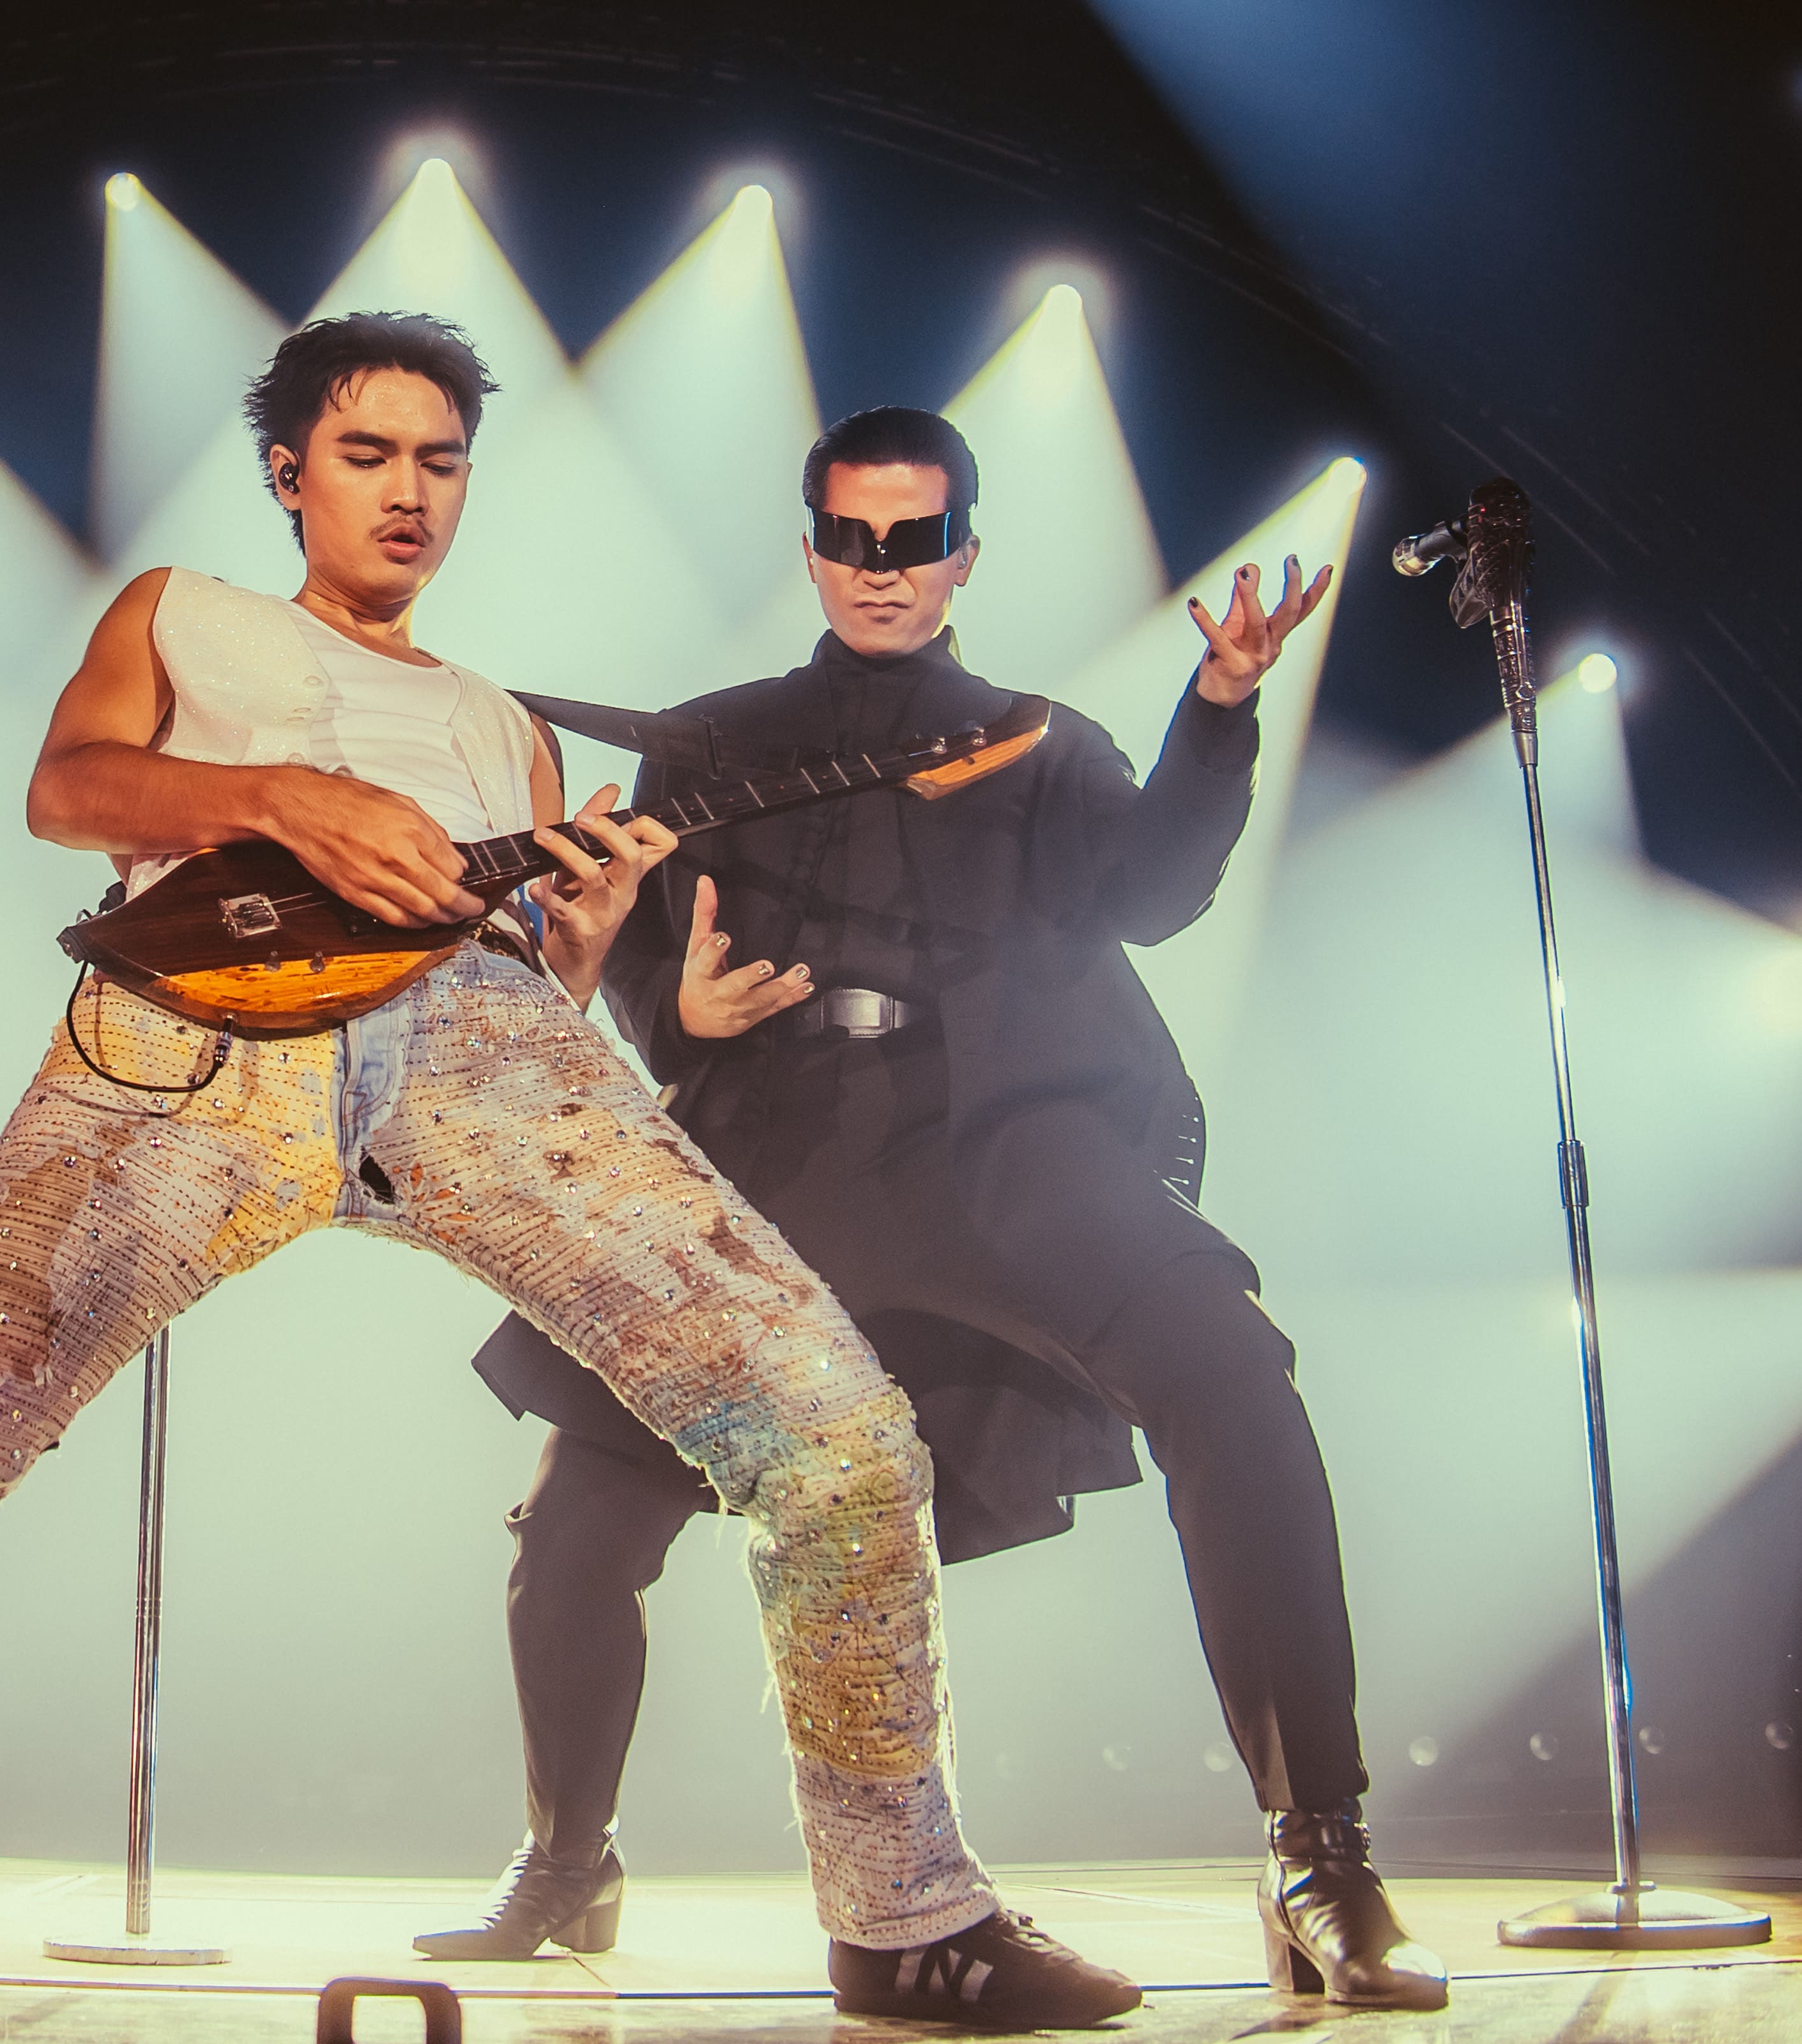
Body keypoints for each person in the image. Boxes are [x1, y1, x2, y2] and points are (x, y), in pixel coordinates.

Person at [0, 323, 1142, 2031]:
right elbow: (67, 791)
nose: (408, 492)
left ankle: (907, 1920)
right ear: (289, 472)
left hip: (481, 1050)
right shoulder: (184, 615)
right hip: (186, 1042)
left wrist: (583, 932)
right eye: (367, 453)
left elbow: (540, 978)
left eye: (441, 462)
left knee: (834, 1428)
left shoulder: (503, 727)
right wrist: (285, 800)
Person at [441, 406, 1447, 2013]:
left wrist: (1219, 712)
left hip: (1008, 1145)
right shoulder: (709, 741)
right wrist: (672, 1008)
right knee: (579, 1508)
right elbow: (635, 938)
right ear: (813, 550)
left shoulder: (1042, 741)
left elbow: (1155, 895)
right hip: (776, 1150)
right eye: (852, 537)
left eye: (914, 539)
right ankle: (568, 1860)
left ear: (965, 553)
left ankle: (1318, 1853)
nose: (882, 567)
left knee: (1235, 1379)